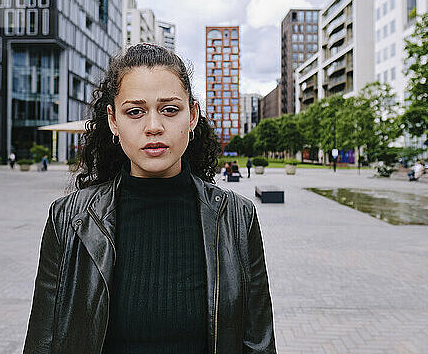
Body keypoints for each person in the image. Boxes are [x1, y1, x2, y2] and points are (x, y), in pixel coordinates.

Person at [23, 44, 277, 353]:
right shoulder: (70, 219)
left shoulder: (237, 217)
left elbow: (258, 343)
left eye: (170, 109)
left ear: (193, 115)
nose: (153, 127)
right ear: (113, 121)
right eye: (135, 112)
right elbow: (43, 340)